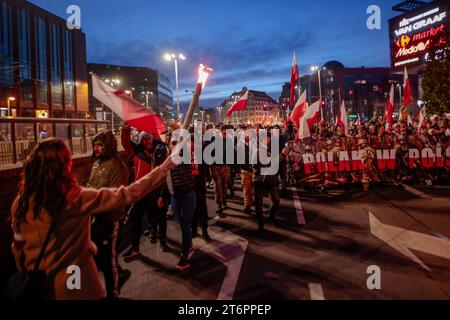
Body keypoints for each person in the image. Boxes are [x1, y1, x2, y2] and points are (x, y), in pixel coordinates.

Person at [10, 139, 175, 299]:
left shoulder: (21, 202)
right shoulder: (74, 198)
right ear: (63, 166)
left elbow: (18, 247)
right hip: (74, 283)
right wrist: (165, 167)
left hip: (38, 285)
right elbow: (128, 193)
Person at [87, 130, 130, 299]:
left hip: (111, 219)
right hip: (95, 217)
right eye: (95, 145)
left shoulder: (117, 166)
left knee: (108, 258)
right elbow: (91, 186)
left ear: (108, 146)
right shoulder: (97, 163)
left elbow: (115, 196)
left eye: (100, 145)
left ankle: (114, 292)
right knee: (100, 256)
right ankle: (120, 273)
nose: (97, 149)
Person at [121, 126, 169, 259]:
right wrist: (125, 129)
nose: (147, 141)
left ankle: (163, 241)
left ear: (153, 138)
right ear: (141, 141)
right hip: (141, 190)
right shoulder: (138, 151)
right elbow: (126, 143)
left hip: (156, 190)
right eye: (144, 139)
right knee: (135, 219)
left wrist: (162, 194)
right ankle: (135, 248)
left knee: (160, 216)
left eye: (149, 138)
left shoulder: (160, 151)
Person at [167, 133, 197, 270]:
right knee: (180, 222)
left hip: (188, 195)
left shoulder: (186, 157)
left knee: (185, 224)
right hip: (174, 197)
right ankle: (189, 243)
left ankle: (185, 256)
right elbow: (164, 179)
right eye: (171, 142)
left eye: (175, 143)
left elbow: (194, 167)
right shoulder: (167, 160)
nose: (173, 145)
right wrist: (163, 196)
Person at [252, 132, 280, 235]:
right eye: (266, 138)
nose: (268, 140)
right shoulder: (257, 151)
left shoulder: (268, 149)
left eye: (268, 138)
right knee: (258, 204)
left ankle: (271, 217)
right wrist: (282, 155)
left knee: (276, 200)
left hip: (270, 180)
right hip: (260, 180)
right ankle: (261, 226)